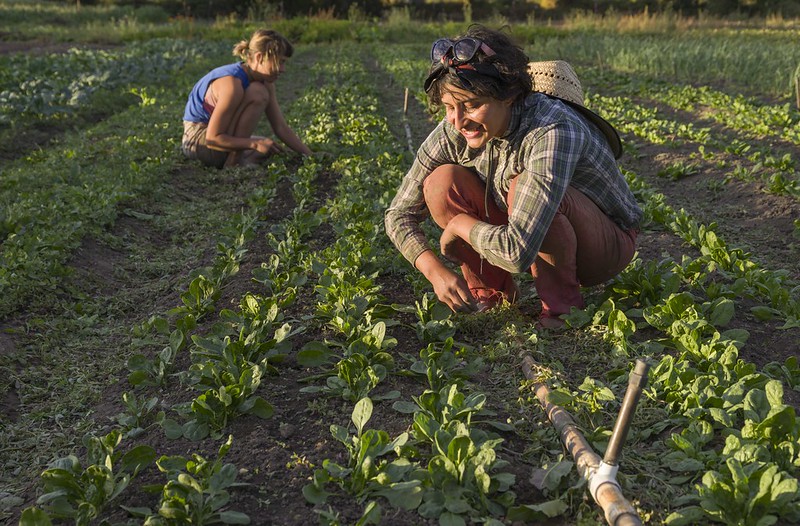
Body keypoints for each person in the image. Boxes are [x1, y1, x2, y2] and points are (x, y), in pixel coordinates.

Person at [384, 25, 642, 328]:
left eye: (473, 105)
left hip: (603, 246)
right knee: (442, 183)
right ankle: (492, 296)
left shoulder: (553, 129)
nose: (458, 120)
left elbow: (517, 252)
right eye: (449, 107)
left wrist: (460, 225)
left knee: (523, 186)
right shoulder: (455, 126)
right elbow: (398, 214)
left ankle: (562, 312)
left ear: (509, 96)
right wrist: (434, 270)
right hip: (524, 228)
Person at [182, 29, 312, 169]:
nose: (283, 69)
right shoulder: (232, 85)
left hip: (215, 140)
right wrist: (253, 144)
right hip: (197, 141)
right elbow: (212, 139)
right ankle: (234, 162)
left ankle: (242, 157)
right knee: (258, 94)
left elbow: (280, 127)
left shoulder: (265, 82)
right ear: (259, 57)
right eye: (279, 62)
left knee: (270, 146)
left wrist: (310, 156)